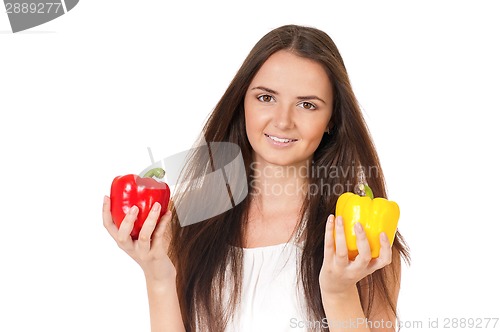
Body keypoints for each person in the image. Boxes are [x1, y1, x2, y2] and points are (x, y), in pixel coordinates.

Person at [103, 24, 410, 332]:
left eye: (307, 104)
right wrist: (158, 276)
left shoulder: (364, 238)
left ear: (332, 120)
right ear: (243, 103)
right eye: (266, 98)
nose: (282, 120)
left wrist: (339, 292)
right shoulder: (189, 222)